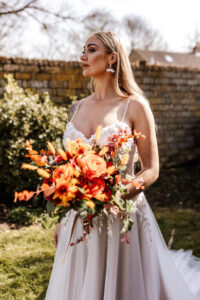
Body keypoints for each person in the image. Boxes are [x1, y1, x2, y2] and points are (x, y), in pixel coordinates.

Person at [45, 31, 200, 300]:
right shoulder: (76, 108)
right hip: (79, 220)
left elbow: (151, 169)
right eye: (83, 49)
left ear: (112, 57)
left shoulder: (135, 106)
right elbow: (69, 170)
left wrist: (114, 194)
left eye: (91, 49)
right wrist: (63, 217)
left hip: (122, 216)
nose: (82, 55)